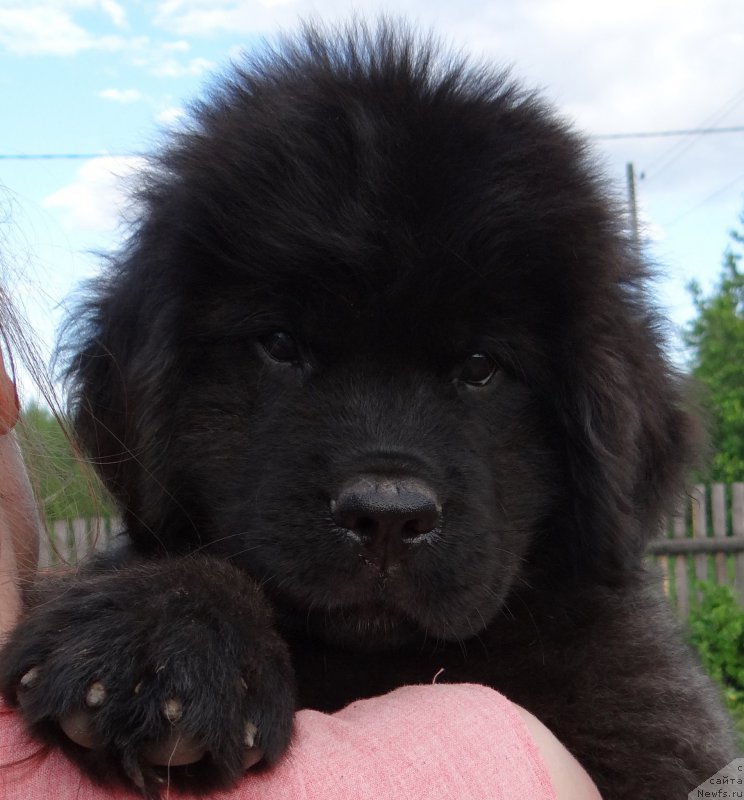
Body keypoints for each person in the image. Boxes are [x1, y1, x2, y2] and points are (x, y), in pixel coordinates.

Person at [0, 294, 601, 799]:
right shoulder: (525, 766)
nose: (388, 500)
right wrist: (191, 602)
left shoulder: (593, 677)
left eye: (479, 366)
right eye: (281, 348)